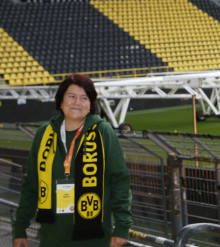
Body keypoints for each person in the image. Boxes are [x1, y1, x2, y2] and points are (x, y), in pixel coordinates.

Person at [13, 74, 132, 247]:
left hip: (93, 238)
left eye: (84, 98)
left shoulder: (103, 132)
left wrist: (122, 225)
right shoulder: (44, 134)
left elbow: (120, 181)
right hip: (50, 237)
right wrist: (20, 227)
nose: (77, 102)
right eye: (72, 96)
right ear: (61, 100)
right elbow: (31, 184)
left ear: (91, 104)